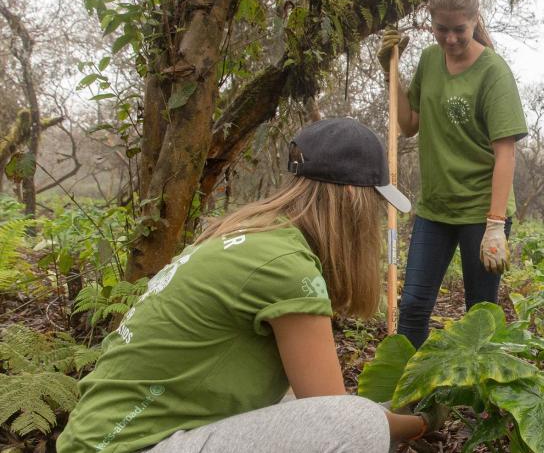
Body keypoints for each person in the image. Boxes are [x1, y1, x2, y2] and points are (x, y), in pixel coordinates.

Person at [58, 118, 443, 453]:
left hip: (109, 440)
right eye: (375, 205)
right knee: (358, 426)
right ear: (350, 198)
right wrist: (423, 422)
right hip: (134, 446)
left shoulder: (252, 236)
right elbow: (332, 414)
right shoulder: (284, 267)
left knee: (303, 403)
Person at [378, 0, 527, 349]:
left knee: (479, 313)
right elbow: (409, 124)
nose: (450, 39)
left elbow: (505, 152)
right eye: (441, 29)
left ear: (475, 20)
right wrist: (390, 72)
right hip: (436, 210)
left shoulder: (494, 72)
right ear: (431, 22)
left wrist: (495, 225)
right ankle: (408, 394)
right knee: (412, 305)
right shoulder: (430, 61)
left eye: (459, 29)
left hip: (481, 211)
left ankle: (480, 396)